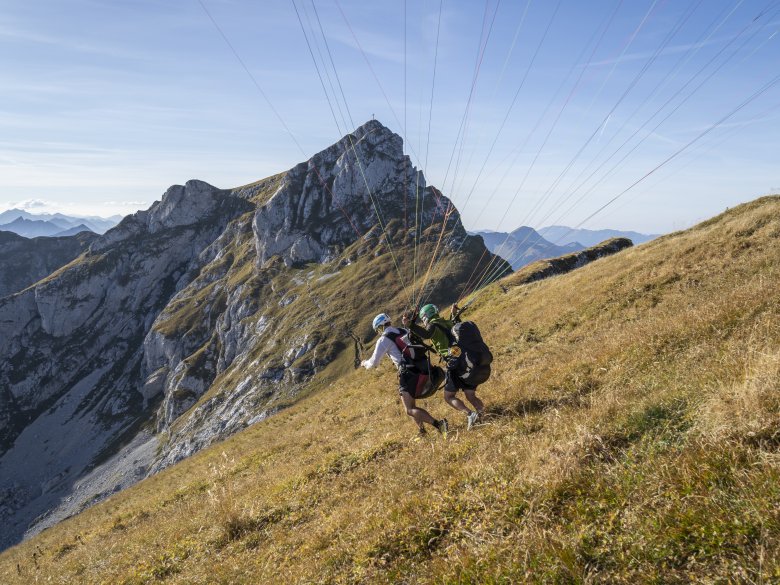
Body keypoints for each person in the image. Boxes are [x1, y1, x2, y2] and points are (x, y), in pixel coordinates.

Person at [361, 313, 448, 437]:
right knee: (412, 406)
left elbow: (374, 363)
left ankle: (439, 424)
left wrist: (364, 363)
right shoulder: (403, 330)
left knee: (409, 409)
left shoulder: (383, 339)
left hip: (407, 375)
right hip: (421, 368)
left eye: (378, 330)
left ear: (380, 327)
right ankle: (422, 432)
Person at [403, 304, 484, 430]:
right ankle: (483, 415)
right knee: (470, 394)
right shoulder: (447, 322)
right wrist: (453, 313)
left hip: (454, 363)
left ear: (425, 317)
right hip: (465, 359)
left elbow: (426, 334)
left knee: (449, 396)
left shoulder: (433, 325)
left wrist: (410, 325)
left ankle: (470, 414)